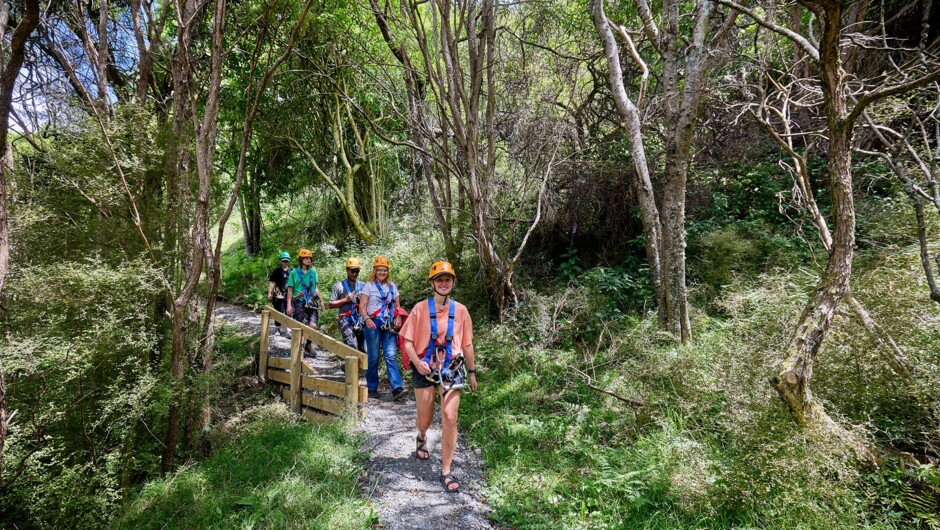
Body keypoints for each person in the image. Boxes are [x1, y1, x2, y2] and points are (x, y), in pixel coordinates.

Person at [400, 261, 477, 493]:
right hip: (425, 367)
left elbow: (468, 344)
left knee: (450, 417)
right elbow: (407, 342)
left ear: (453, 282)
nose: (444, 283)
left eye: (448, 280)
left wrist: (472, 373)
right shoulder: (420, 309)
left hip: (452, 368)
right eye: (439, 280)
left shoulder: (461, 311)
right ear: (432, 283)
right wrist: (417, 362)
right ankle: (421, 436)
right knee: (426, 419)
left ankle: (446, 470)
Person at [358, 256, 404, 400]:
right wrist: (366, 319)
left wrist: (398, 317)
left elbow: (397, 307)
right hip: (373, 323)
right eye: (379, 270)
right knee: (373, 357)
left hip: (388, 324)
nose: (382, 272)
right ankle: (372, 387)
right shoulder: (369, 286)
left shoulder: (392, 286)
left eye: (384, 270)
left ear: (387, 271)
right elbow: (362, 306)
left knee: (390, 355)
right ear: (375, 270)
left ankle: (397, 388)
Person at [286, 248, 323, 355]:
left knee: (313, 325)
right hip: (299, 303)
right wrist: (288, 305)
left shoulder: (313, 273)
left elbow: (316, 288)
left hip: (312, 302)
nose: (308, 260)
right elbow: (290, 290)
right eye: (306, 258)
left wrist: (321, 301)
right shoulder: (293, 273)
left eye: (309, 258)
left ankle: (308, 345)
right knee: (301, 326)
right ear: (301, 259)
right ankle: (299, 349)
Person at [329, 257, 366, 353]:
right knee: (352, 345)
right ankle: (352, 367)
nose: (354, 274)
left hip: (361, 320)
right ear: (347, 270)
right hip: (346, 320)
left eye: (357, 271)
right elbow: (331, 304)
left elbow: (370, 304)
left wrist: (362, 299)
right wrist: (345, 300)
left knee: (364, 349)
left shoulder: (363, 285)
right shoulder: (339, 286)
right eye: (352, 271)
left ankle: (359, 368)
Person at [267, 251, 292, 336]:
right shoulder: (277, 271)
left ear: (288, 261)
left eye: (286, 261)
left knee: (289, 311)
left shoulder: (291, 271)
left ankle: (288, 329)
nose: (285, 262)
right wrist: (269, 293)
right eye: (283, 261)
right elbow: (272, 282)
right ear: (281, 261)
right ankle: (277, 329)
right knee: (279, 311)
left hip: (288, 294)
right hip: (278, 294)